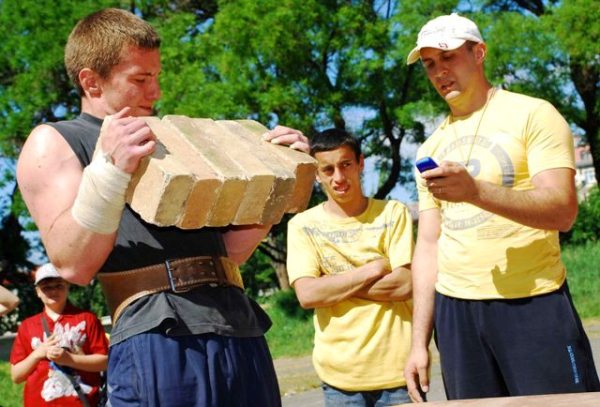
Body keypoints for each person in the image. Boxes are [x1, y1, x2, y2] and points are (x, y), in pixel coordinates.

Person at [15, 8, 309, 407]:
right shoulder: (54, 141)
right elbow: (72, 264)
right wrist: (109, 170)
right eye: (140, 79)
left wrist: (277, 183)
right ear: (91, 81)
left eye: (156, 77)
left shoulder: (174, 138)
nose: (155, 92)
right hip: (157, 334)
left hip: (238, 325)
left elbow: (228, 255)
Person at [403, 13, 600, 402]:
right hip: (456, 313)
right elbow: (428, 244)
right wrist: (418, 343)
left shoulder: (532, 113)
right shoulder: (430, 148)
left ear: (479, 53)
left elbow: (563, 211)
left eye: (448, 58)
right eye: (429, 64)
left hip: (533, 301)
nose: (439, 72)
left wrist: (476, 191)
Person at [286, 128, 414, 406]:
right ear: (317, 174)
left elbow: (404, 284)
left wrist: (330, 283)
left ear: (360, 163)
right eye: (328, 169)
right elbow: (308, 295)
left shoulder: (393, 213)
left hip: (400, 373)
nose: (339, 177)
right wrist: (371, 270)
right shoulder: (302, 226)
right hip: (339, 379)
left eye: (346, 165)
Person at [10, 263, 109, 406]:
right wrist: (38, 353)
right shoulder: (27, 326)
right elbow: (16, 376)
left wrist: (69, 359)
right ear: (37, 291)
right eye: (46, 287)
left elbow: (105, 362)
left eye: (59, 285)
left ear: (68, 286)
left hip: (82, 402)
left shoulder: (87, 319)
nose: (53, 291)